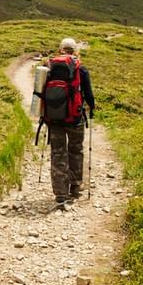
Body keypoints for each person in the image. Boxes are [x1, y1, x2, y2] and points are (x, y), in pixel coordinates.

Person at [46, 38, 95, 203]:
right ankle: (75, 187)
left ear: (60, 50)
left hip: (54, 118)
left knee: (57, 153)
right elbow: (88, 94)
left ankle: (60, 193)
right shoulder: (81, 69)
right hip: (75, 118)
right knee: (75, 150)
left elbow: (39, 93)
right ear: (75, 51)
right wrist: (92, 107)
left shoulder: (49, 67)